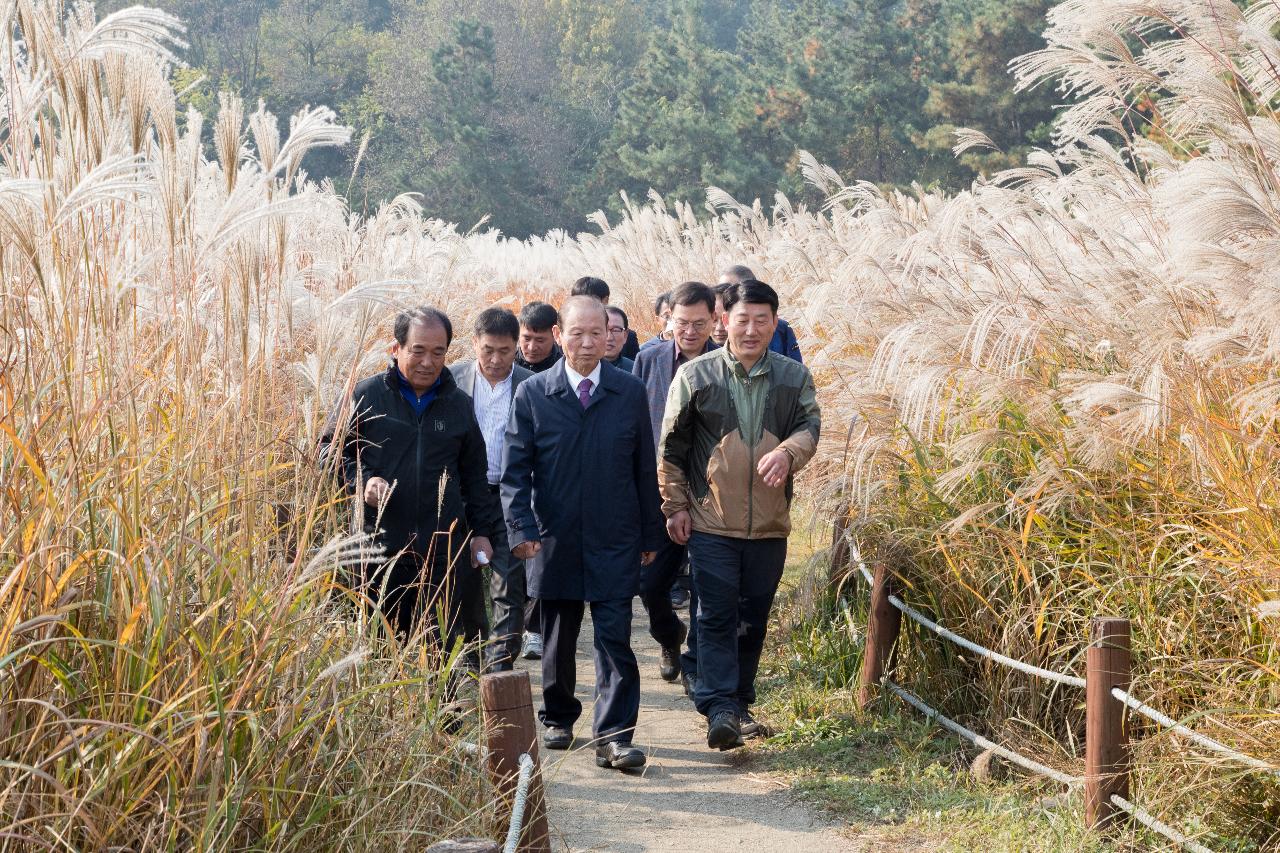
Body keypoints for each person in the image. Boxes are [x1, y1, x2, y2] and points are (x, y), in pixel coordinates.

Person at [502, 295, 664, 770]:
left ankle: (614, 736)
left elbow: (642, 467)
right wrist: (521, 530)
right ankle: (558, 715)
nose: (589, 342)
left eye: (599, 333)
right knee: (558, 632)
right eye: (577, 333)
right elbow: (516, 471)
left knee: (614, 635)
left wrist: (650, 535)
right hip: (554, 535)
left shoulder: (627, 391)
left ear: (611, 335)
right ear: (559, 334)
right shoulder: (533, 393)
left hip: (616, 536)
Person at [658, 280, 821, 750]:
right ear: (723, 320)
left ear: (775, 322)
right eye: (742, 319)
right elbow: (671, 449)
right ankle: (720, 707)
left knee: (754, 616)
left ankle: (739, 701)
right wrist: (675, 506)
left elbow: (810, 426)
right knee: (715, 615)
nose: (751, 329)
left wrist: (789, 453)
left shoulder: (793, 377)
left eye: (761, 319)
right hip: (711, 520)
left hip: (770, 523)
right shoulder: (696, 376)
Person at [319, 307, 501, 658]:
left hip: (442, 552)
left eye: (438, 352)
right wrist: (362, 482)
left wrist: (482, 531)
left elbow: (475, 475)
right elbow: (328, 450)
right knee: (382, 649)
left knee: (441, 650)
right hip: (379, 550)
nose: (428, 362)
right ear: (396, 349)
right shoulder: (365, 395)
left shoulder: (458, 405)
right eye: (417, 350)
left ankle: (445, 714)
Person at [631, 281, 718, 694]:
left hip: (708, 491)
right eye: (682, 322)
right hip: (655, 491)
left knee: (704, 581)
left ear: (714, 321)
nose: (690, 331)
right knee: (649, 584)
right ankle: (669, 637)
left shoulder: (724, 365)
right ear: (668, 320)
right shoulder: (647, 360)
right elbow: (631, 424)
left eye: (699, 323)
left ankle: (695, 666)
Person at [448, 307, 536, 672]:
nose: (496, 359)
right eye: (488, 350)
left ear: (517, 346)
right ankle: (467, 659)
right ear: (474, 344)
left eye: (505, 350)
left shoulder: (532, 386)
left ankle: (499, 662)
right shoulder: (451, 380)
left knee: (508, 581)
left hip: (511, 495)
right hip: (462, 495)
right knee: (461, 580)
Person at [718, 265, 802, 363]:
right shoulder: (712, 327)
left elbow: (794, 367)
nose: (751, 332)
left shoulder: (780, 328)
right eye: (720, 289)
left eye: (728, 289)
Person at [570, 276, 640, 359]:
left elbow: (635, 367)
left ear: (605, 301)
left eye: (591, 302)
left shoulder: (625, 335)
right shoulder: (567, 334)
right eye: (579, 303)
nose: (585, 307)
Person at [516, 301, 562, 374]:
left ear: (555, 336)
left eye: (540, 340)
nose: (532, 348)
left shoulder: (563, 369)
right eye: (527, 339)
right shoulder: (506, 365)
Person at [604, 306, 635, 373]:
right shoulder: (580, 370)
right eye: (604, 330)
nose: (609, 338)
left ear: (625, 335)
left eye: (616, 330)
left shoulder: (636, 371)